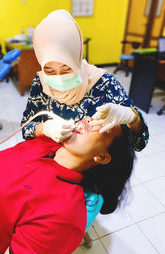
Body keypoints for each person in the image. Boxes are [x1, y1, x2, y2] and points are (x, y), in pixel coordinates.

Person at [0, 120, 135, 254]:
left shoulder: (64, 216)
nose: (91, 121)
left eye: (105, 127)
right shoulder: (45, 143)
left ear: (102, 157)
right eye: (96, 117)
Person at [21, 9, 149, 152]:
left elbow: (139, 143)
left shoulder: (104, 83)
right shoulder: (41, 83)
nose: (59, 77)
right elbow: (26, 130)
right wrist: (44, 128)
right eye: (49, 71)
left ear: (77, 56)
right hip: (55, 162)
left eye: (66, 69)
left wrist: (132, 117)